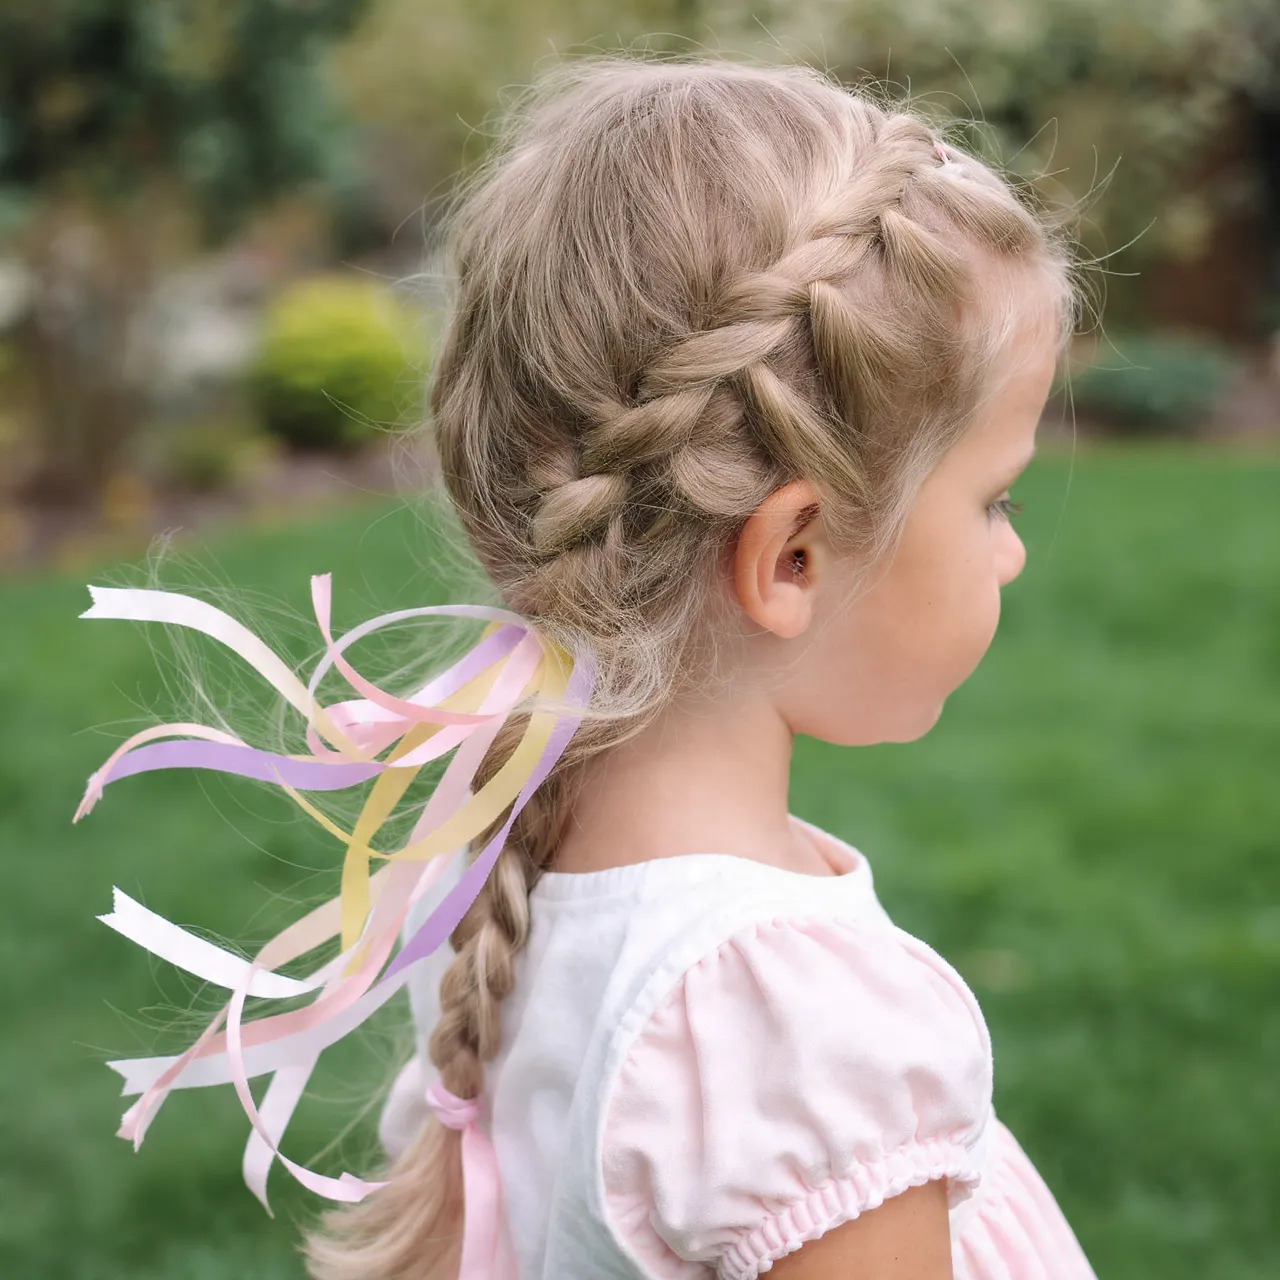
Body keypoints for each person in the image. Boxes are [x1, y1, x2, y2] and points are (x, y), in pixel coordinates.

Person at [78, 52, 1097, 1280]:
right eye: (994, 497)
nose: (1013, 551)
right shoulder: (797, 1034)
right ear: (791, 552)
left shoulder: (503, 850)